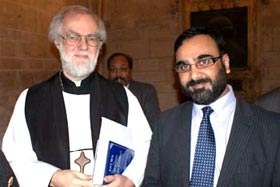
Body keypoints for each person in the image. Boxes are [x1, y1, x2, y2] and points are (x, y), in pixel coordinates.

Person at [2, 5, 152, 187]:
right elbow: (14, 155)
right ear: (57, 42)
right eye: (73, 37)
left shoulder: (122, 96)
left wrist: (129, 180)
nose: (84, 46)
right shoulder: (31, 99)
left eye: (92, 38)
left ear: (100, 46)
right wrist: (52, 177)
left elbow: (146, 146)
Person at [142, 27, 280, 187]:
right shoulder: (165, 124)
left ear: (226, 63)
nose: (193, 75)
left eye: (203, 61)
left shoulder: (272, 128)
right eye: (184, 67)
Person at [107, 52, 160, 127]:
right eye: (113, 69)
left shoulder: (146, 92)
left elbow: (154, 124)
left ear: (130, 71)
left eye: (123, 69)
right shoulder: (102, 93)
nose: (118, 74)